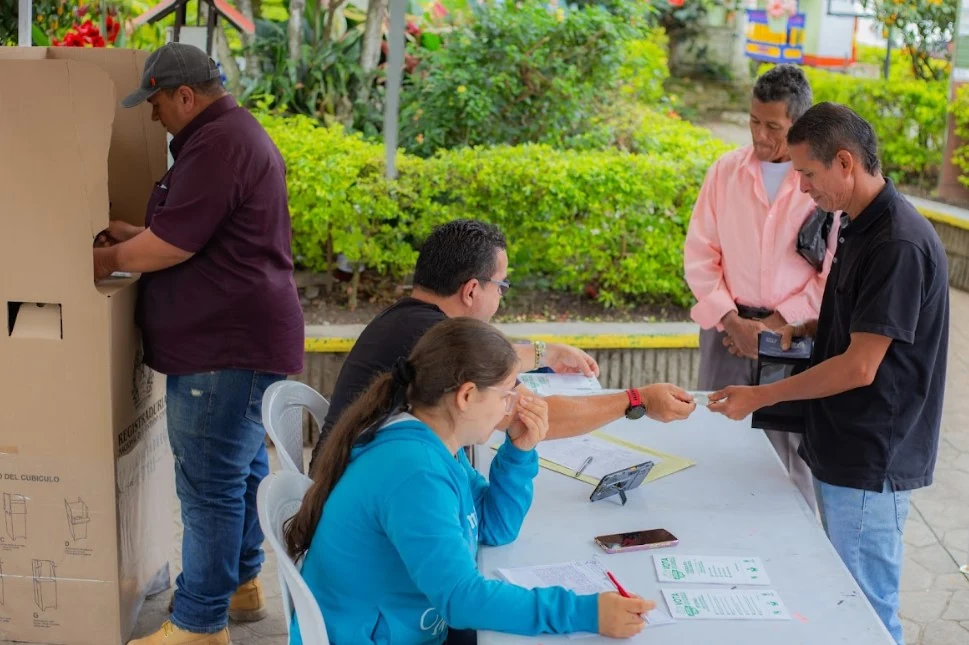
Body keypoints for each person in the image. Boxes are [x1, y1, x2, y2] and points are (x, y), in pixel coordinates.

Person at [709, 103, 950, 645]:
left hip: (871, 456)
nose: (802, 187)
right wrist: (810, 326)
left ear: (845, 162)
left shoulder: (898, 242)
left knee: (865, 611)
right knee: (843, 598)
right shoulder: (858, 222)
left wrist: (761, 396)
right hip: (841, 441)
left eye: (808, 173)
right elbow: (868, 318)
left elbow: (861, 366)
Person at [93, 43, 304, 645]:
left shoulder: (218, 144)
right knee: (238, 474)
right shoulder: (229, 137)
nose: (153, 114)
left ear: (185, 95)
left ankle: (198, 624)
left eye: (156, 101)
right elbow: (199, 231)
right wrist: (137, 233)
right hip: (240, 343)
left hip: (223, 348)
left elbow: (173, 247)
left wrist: (105, 258)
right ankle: (240, 585)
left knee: (209, 488)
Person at [287, 317, 655, 644]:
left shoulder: (437, 442)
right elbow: (462, 600)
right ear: (466, 396)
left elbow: (493, 526)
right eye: (507, 394)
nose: (511, 406)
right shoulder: (415, 472)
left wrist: (519, 451)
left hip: (408, 624)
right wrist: (586, 613)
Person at [309, 219, 696, 471]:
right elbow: (535, 416)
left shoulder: (410, 319)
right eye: (501, 286)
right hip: (367, 508)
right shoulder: (439, 341)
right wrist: (636, 400)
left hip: (352, 480)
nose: (501, 297)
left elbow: (487, 357)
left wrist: (545, 352)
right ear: (471, 290)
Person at [683, 64, 836, 512]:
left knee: (788, 453)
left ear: (800, 125)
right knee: (716, 439)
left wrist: (774, 325)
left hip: (794, 339)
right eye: (753, 121)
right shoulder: (724, 172)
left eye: (773, 127)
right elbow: (700, 253)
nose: (759, 135)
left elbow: (831, 273)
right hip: (725, 334)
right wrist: (733, 321)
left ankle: (792, 544)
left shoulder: (819, 183)